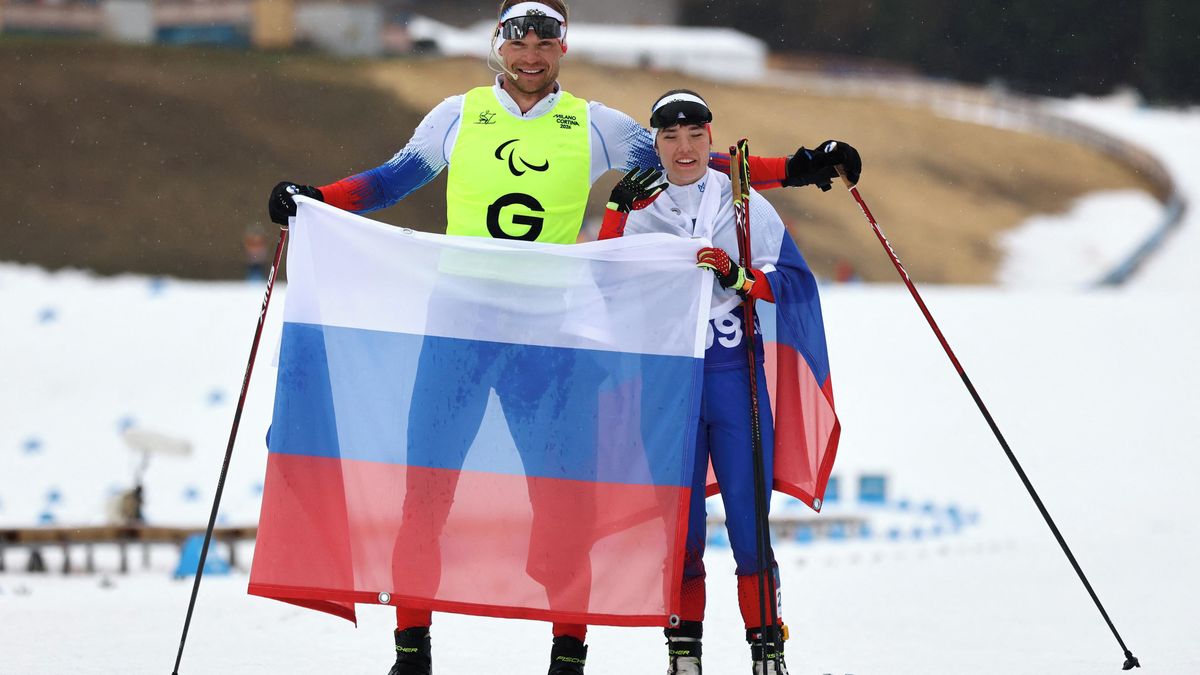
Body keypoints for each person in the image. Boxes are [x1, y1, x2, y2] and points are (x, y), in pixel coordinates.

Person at [265, 3, 851, 673]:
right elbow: (392, 179)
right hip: (457, 332)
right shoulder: (457, 115)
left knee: (564, 504)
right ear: (500, 44)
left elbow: (688, 156)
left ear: (562, 48)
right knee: (425, 495)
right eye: (521, 40)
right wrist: (315, 198)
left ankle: (568, 651)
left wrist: (799, 167)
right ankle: (412, 653)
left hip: (547, 340)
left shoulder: (594, 123)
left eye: (547, 40)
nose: (532, 54)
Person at [598, 89, 859, 675]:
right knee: (681, 532)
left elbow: (794, 281)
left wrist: (742, 278)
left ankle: (768, 655)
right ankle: (683, 658)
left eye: (695, 135)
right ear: (656, 145)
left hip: (732, 378)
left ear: (711, 138)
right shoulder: (640, 206)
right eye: (670, 138)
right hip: (667, 386)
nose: (684, 148)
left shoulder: (741, 202)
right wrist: (615, 215)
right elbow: (602, 284)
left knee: (749, 525)